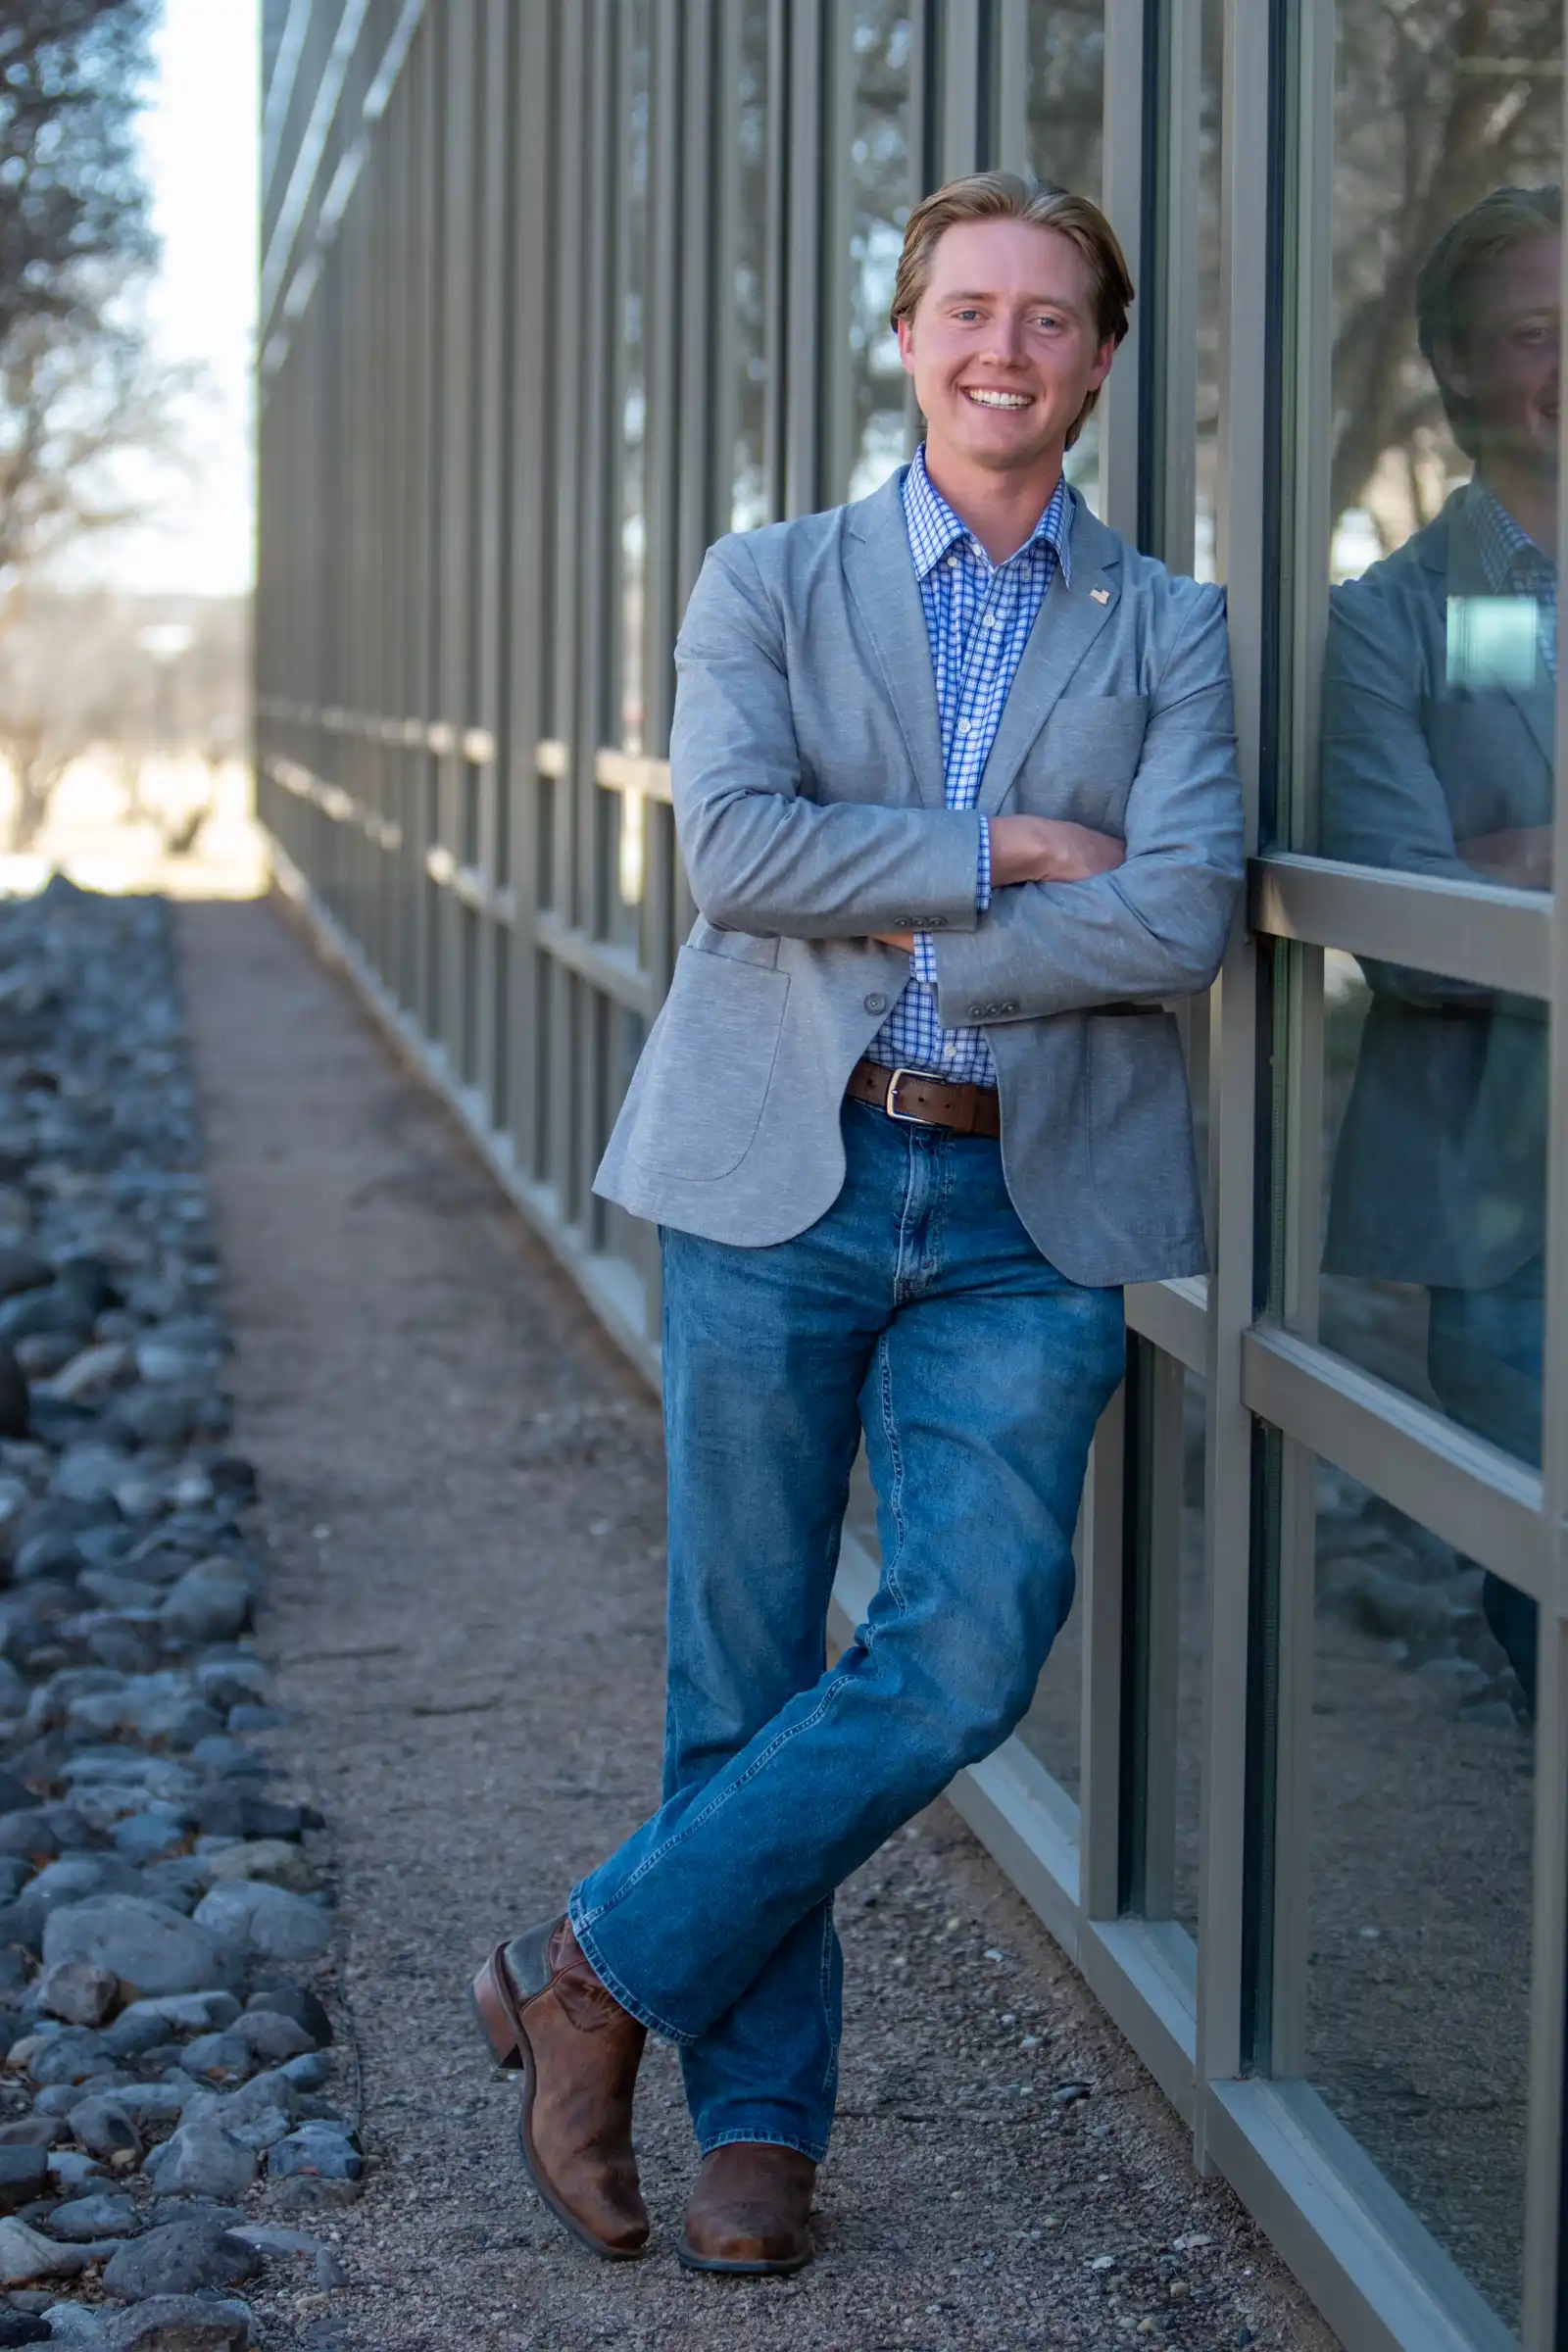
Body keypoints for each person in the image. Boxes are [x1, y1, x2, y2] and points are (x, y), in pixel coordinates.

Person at [471, 172, 1243, 2275]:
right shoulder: (765, 580)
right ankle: (762, 2134)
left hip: (1027, 1195)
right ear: (905, 336)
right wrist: (1002, 849)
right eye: (966, 309)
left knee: (962, 1651)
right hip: (771, 1175)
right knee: (737, 1660)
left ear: (1096, 356)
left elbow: (1174, 910)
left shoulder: (1163, 624)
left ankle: (586, 1968)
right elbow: (731, 850)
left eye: (1050, 317)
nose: (1004, 348)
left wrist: (908, 897)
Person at [1321, 184, 1559, 1708]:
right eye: (1537, 333)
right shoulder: (1391, 623)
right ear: (1462, 368)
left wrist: (1525, 863)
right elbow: (1417, 933)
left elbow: (1485, 889)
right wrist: (1476, 889)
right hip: (1503, 1195)